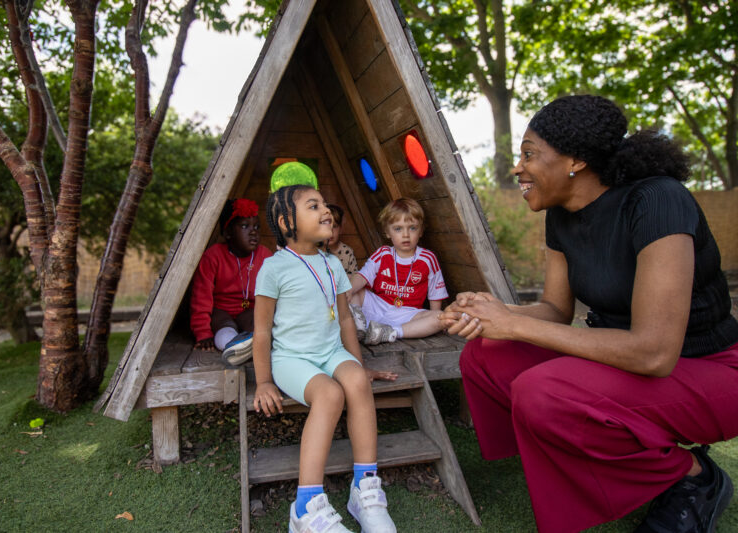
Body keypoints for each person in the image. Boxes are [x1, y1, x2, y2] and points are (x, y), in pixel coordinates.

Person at [441, 95, 738, 533]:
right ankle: (585, 456)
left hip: (707, 368)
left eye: (529, 154)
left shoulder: (658, 200)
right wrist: (495, 313)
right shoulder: (560, 216)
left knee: (544, 393)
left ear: (575, 160)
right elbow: (556, 310)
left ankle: (692, 476)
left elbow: (654, 353)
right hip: (620, 363)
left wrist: (514, 323)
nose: (518, 168)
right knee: (488, 354)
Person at [253, 184, 398, 533]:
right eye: (313, 205)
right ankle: (306, 507)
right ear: (287, 222)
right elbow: (262, 332)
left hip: (331, 352)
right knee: (330, 394)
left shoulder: (332, 263)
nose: (326, 211)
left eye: (325, 205)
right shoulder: (273, 268)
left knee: (357, 381)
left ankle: (364, 489)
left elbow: (345, 319)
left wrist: (358, 364)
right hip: (292, 359)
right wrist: (264, 381)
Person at [348, 197, 448, 345]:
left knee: (440, 317)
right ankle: (359, 325)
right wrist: (346, 292)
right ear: (387, 232)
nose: (406, 234)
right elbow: (362, 277)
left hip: (407, 314)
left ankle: (390, 332)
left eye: (412, 228)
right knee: (353, 287)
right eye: (398, 229)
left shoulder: (427, 259)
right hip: (378, 306)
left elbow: (436, 294)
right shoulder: (383, 253)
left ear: (421, 231)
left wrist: (436, 321)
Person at [190, 198, 272, 366]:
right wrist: (203, 333)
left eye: (257, 227)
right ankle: (234, 347)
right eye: (245, 226)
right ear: (228, 232)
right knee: (223, 326)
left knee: (259, 323)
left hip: (249, 309)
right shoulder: (213, 256)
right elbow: (201, 298)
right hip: (221, 310)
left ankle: (252, 345)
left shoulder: (264, 255)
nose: (253, 232)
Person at [321, 203, 359, 276]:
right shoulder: (314, 250)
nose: (330, 231)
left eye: (334, 226)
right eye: (326, 227)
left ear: (341, 229)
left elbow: (354, 278)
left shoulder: (347, 252)